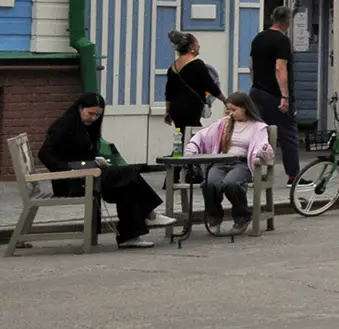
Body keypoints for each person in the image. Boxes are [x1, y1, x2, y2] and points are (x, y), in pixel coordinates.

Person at [39, 91, 162, 248]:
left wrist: (94, 160)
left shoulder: (85, 127)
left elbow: (82, 152)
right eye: (90, 114)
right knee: (128, 173)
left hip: (86, 175)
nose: (93, 118)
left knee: (127, 186)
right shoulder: (64, 126)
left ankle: (129, 237)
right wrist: (68, 169)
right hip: (72, 181)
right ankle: (149, 211)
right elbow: (44, 153)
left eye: (97, 116)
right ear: (80, 108)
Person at [186, 92, 273, 236]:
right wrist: (192, 148)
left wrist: (262, 152)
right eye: (229, 110)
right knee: (210, 183)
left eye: (234, 110)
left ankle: (242, 217)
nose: (231, 113)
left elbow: (262, 147)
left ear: (245, 108)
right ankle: (214, 218)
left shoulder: (258, 127)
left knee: (231, 184)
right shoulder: (224, 123)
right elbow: (203, 136)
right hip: (220, 162)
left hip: (242, 163)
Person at [249, 7, 302, 183]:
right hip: (275, 95)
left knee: (256, 133)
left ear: (273, 19)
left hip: (257, 93)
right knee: (288, 135)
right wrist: (285, 96)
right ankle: (293, 176)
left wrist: (257, 83)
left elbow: (251, 66)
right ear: (288, 21)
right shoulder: (282, 40)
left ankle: (250, 172)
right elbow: (280, 68)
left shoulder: (258, 38)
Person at [163, 29, 223, 145]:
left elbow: (168, 92)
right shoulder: (197, 65)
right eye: (197, 43)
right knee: (197, 138)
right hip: (191, 108)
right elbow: (211, 86)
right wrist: (225, 100)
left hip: (176, 110)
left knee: (182, 137)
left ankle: (183, 160)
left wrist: (167, 111)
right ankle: (193, 161)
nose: (199, 46)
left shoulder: (173, 68)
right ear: (191, 46)